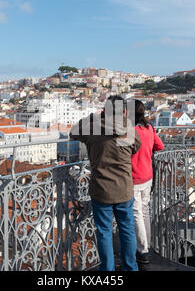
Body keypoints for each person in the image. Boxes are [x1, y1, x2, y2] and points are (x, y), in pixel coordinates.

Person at [70, 96, 141, 271]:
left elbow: (73, 131)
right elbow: (136, 147)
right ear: (124, 111)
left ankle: (108, 271)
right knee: (127, 230)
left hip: (101, 189)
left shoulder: (92, 128)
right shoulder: (128, 128)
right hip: (124, 188)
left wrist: (94, 117)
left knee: (104, 232)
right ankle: (130, 267)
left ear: (104, 111)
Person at [131, 100, 164, 265]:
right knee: (144, 211)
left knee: (137, 213)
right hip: (148, 176)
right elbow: (160, 146)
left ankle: (143, 250)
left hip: (134, 177)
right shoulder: (149, 128)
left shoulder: (130, 131)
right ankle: (146, 246)